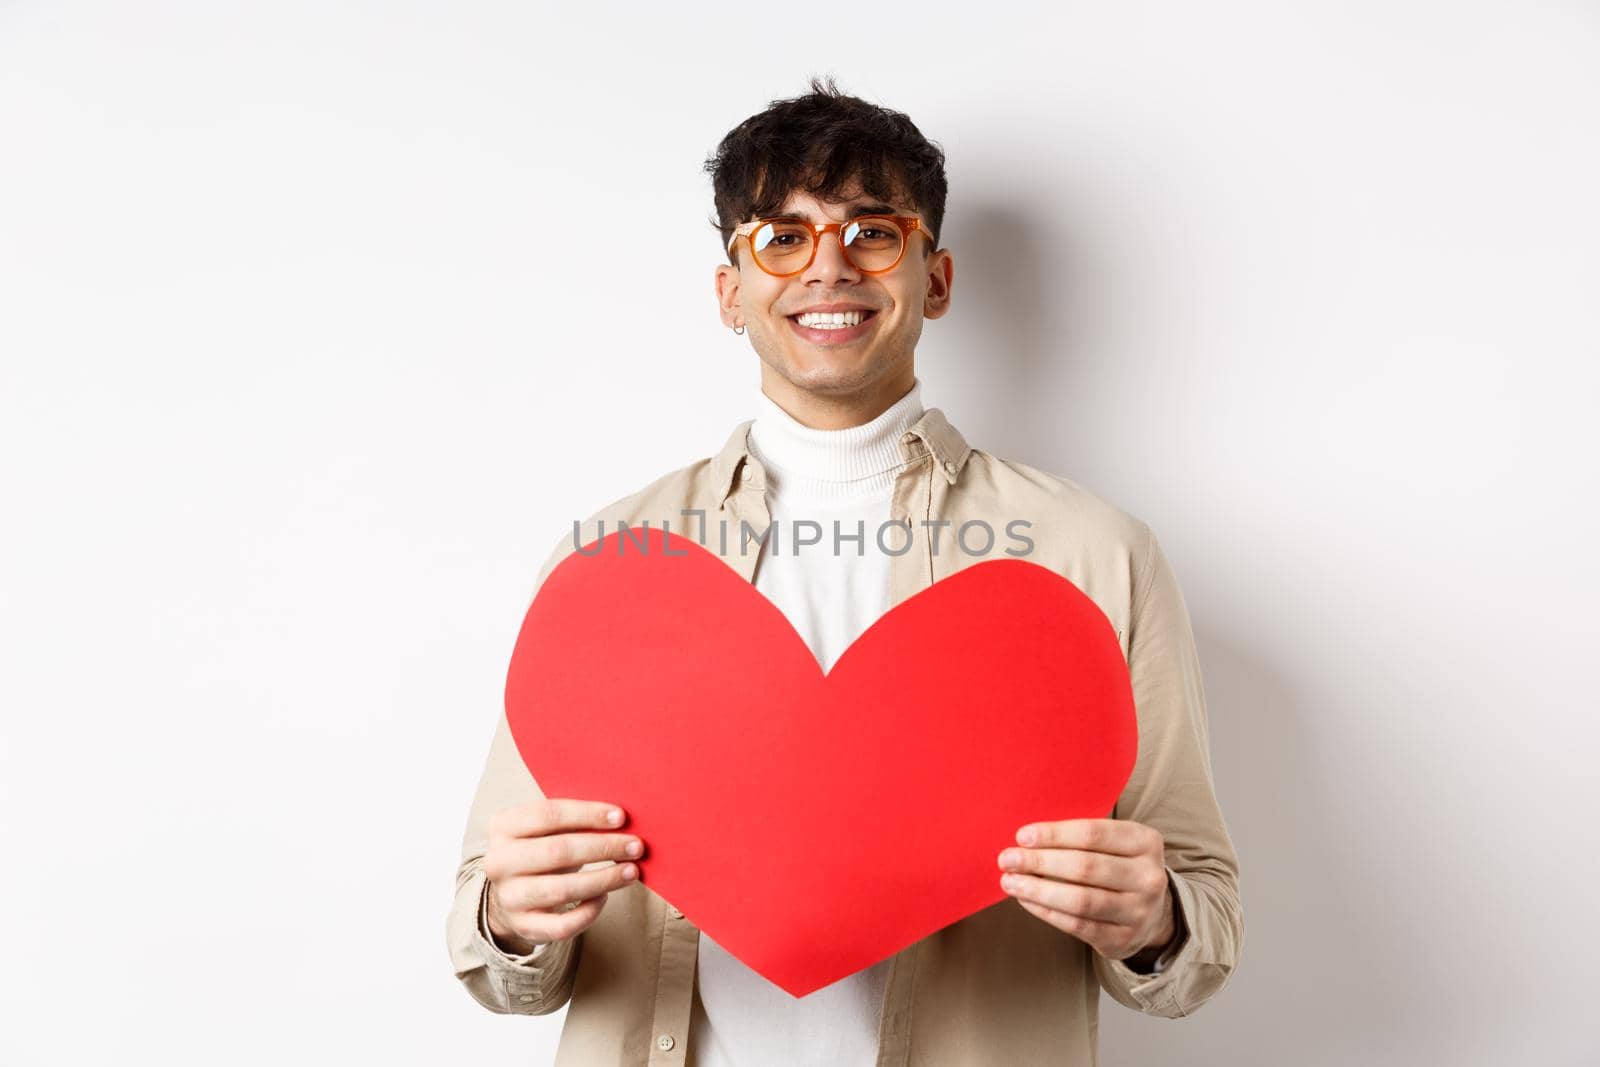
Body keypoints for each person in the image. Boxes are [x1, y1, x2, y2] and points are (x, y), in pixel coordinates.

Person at [446, 75, 1243, 1066]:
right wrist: (514, 915)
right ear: (730, 289)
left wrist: (1153, 919)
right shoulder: (614, 562)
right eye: (783, 235)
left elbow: (1200, 922)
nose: (829, 266)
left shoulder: (1094, 556)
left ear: (936, 278)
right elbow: (490, 943)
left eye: (874, 232)